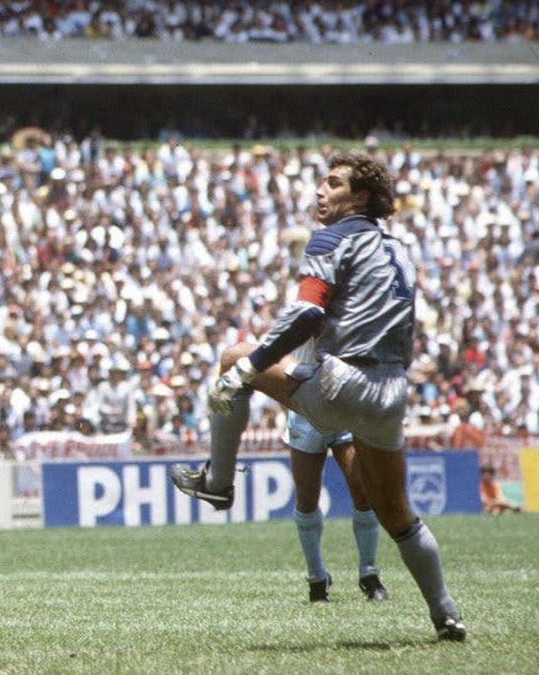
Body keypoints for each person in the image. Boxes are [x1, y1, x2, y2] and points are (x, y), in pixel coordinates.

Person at [170, 152, 466, 641]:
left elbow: (308, 315)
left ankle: (218, 482)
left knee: (231, 359)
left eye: (332, 183)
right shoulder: (400, 249)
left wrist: (252, 364)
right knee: (399, 515)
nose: (319, 192)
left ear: (360, 197)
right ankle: (446, 613)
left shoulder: (331, 238)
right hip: (391, 395)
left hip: (341, 383)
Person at [283, 407, 386, 603]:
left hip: (344, 410)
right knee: (306, 497)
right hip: (305, 413)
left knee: (363, 491)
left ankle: (369, 574)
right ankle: (317, 578)